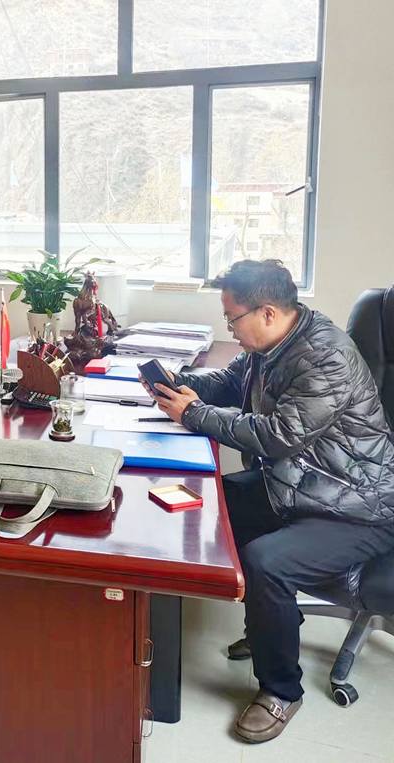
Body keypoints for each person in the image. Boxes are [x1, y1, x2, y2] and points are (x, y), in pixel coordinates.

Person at [142, 259, 394, 744]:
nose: (230, 328)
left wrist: (193, 414)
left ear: (268, 313)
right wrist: (177, 384)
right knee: (205, 506)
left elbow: (277, 436)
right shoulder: (272, 346)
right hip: (304, 487)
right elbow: (229, 383)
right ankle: (272, 623)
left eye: (232, 318)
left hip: (358, 506)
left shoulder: (325, 356)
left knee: (267, 562)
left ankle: (281, 690)